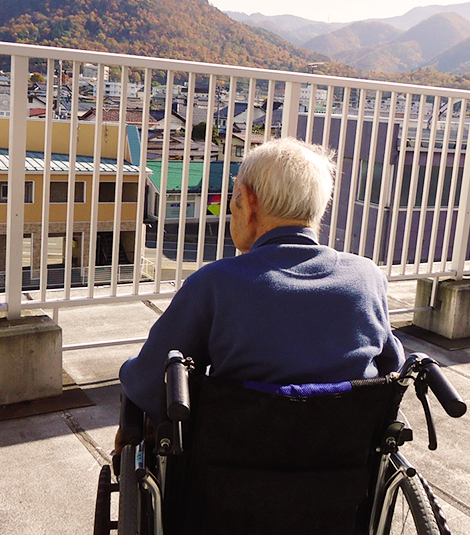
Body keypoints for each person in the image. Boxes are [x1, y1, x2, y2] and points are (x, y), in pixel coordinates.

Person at [117, 137, 405, 438]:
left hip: (231, 474)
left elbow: (149, 383)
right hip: (346, 470)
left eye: (233, 199)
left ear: (248, 201)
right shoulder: (367, 278)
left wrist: (128, 369)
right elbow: (392, 370)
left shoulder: (214, 285)